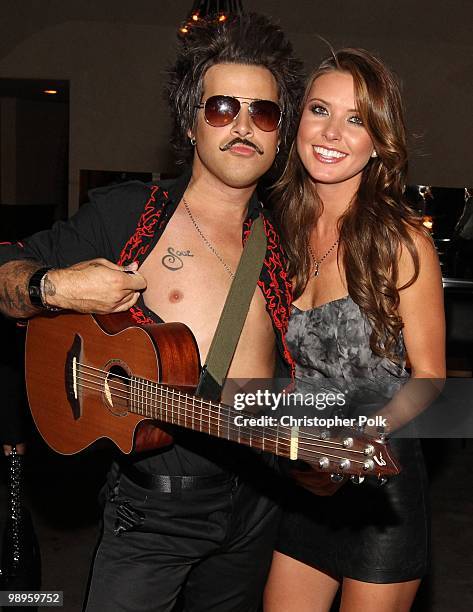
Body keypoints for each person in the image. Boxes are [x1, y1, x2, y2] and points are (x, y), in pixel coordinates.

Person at [0, 14, 305, 612]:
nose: (243, 126)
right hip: (154, 509)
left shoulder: (291, 239)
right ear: (190, 124)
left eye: (263, 113)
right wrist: (55, 286)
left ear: (279, 134)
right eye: (221, 108)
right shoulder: (130, 216)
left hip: (258, 504)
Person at [264, 48, 445, 612]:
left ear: (379, 141)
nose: (332, 132)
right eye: (319, 109)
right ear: (297, 121)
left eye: (356, 118)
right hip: (305, 480)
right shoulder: (274, 233)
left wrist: (362, 434)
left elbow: (431, 376)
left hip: (378, 483)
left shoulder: (401, 241)